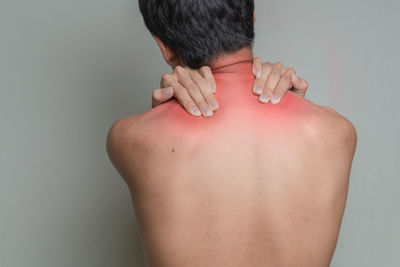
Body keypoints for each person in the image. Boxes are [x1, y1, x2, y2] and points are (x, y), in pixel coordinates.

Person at [106, 1, 357, 266]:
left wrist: (160, 111)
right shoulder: (338, 134)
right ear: (253, 17)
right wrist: (298, 106)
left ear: (164, 48)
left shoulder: (128, 138)